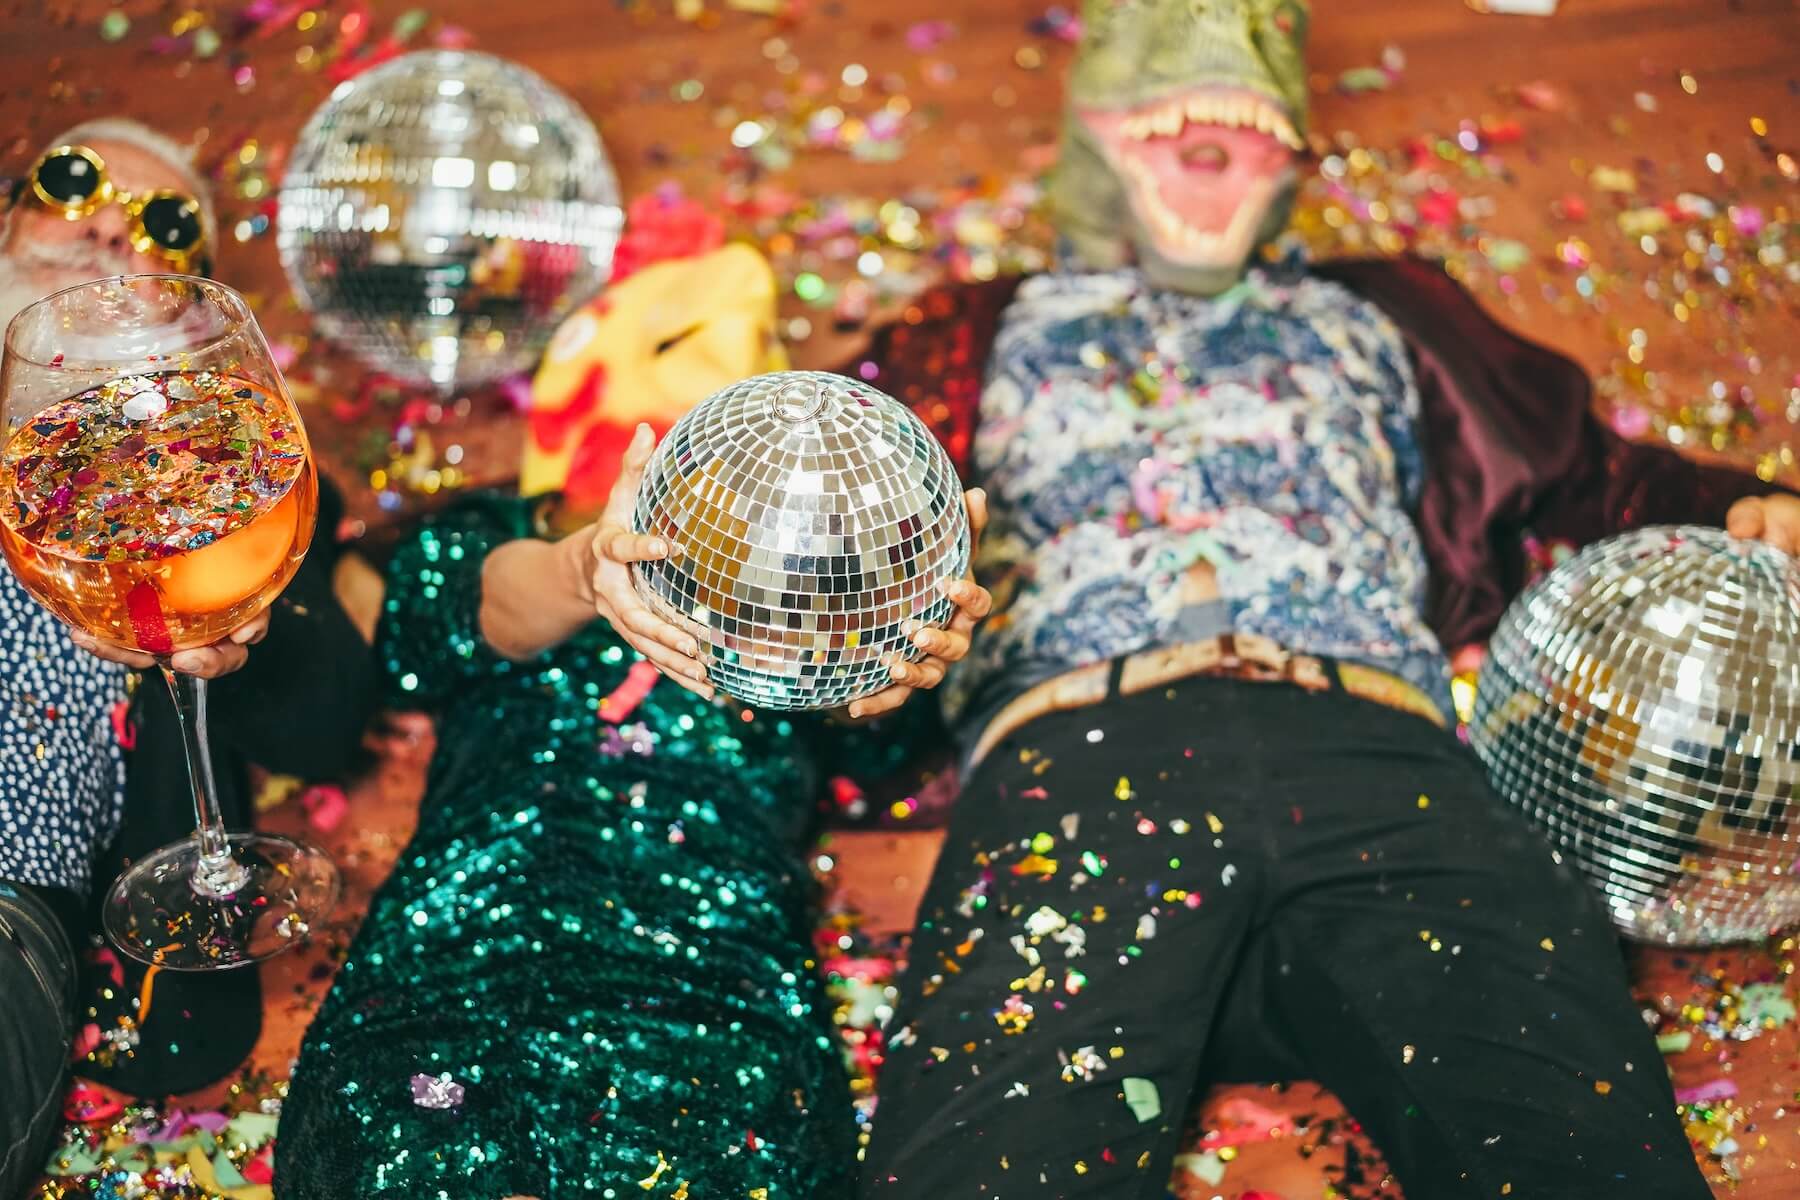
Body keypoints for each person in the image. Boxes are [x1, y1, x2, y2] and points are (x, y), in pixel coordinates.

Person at [839, 3, 1799, 1198]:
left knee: (1580, 1156)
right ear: (1094, 125)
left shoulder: (1378, 310)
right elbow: (824, 536)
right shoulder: (975, 328)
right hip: (1078, 772)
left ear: (1291, 152)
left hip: (1387, 767)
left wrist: (1744, 507)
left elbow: (1589, 475)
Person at [275, 426, 989, 1198]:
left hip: (715, 1009)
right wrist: (585, 568)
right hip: (459, 963)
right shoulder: (500, 535)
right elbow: (435, 626)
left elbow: (884, 743)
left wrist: (894, 641)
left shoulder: (817, 595)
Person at [0, 118, 374, 1196]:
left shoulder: (241, 485)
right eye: (74, 185)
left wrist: (242, 634)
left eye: (167, 229)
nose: (116, 227)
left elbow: (326, 721)